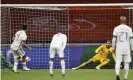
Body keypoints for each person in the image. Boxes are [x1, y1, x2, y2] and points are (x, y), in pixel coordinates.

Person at [112, 16, 133, 80]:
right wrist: (132, 48)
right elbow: (131, 39)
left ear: (120, 21)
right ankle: (125, 77)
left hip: (119, 47)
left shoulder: (116, 28)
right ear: (126, 21)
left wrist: (113, 47)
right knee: (126, 62)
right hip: (127, 47)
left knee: (118, 61)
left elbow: (113, 39)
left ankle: (117, 74)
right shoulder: (129, 28)